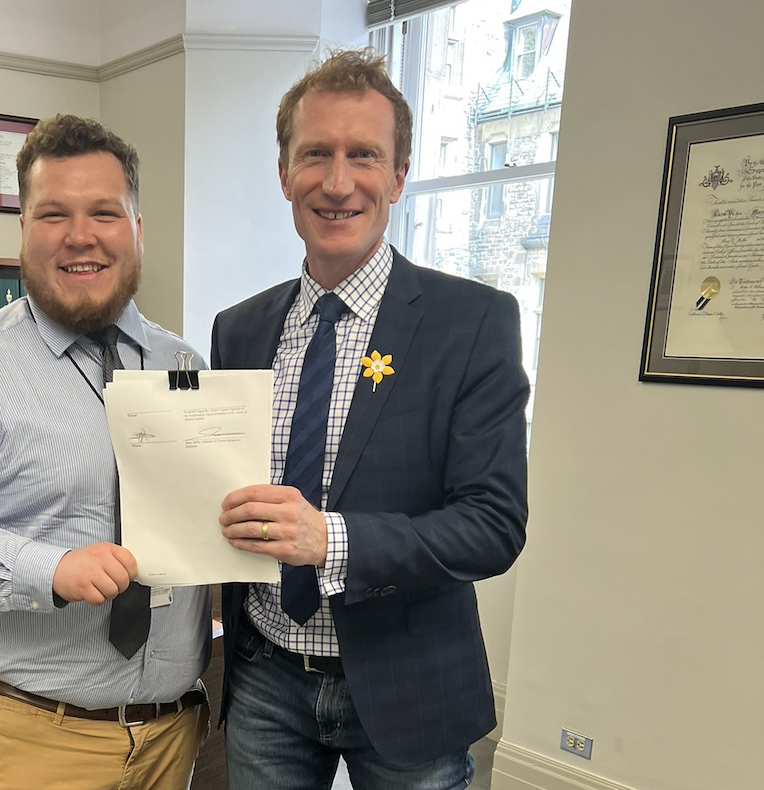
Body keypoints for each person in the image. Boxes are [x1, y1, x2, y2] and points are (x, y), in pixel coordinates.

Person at [211, 50, 530, 790]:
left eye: (364, 155)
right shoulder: (239, 330)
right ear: (284, 173)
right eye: (315, 154)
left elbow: (493, 525)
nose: (337, 182)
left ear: (398, 176)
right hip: (265, 677)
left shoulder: (472, 323)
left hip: (409, 682)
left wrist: (331, 540)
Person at [0, 114, 211, 790]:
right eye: (54, 214)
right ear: (24, 230)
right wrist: (49, 568)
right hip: (27, 742)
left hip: (173, 741)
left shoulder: (186, 365)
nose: (81, 236)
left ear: (137, 229)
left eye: (104, 213)